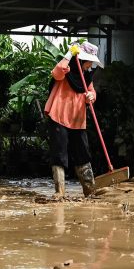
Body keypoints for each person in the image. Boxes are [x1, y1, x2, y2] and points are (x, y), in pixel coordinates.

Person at [44, 42, 107, 200]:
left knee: (82, 152)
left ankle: (89, 189)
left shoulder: (86, 77)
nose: (90, 65)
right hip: (59, 116)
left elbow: (92, 92)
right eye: (88, 62)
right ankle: (60, 191)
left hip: (77, 119)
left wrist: (91, 97)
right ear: (80, 60)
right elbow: (56, 73)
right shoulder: (68, 70)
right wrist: (69, 54)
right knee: (59, 153)